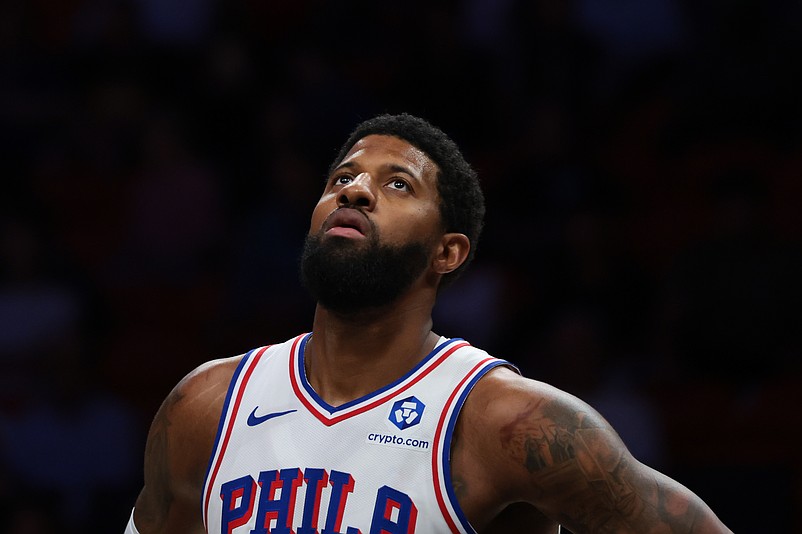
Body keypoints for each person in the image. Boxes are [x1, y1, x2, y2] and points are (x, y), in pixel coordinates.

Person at [125, 113, 732, 533]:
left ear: (448, 252)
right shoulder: (205, 406)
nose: (355, 192)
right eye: (342, 178)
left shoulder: (510, 423)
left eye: (397, 184)